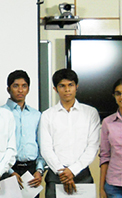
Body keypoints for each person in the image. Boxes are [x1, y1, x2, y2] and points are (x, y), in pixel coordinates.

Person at [39, 68, 100, 198]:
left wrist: (72, 170)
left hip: (83, 175)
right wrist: (63, 172)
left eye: (70, 85)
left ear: (76, 87)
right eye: (62, 86)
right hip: (56, 176)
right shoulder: (47, 115)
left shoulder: (90, 113)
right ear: (55, 89)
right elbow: (46, 149)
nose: (67, 90)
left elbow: (93, 146)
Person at [1, 70, 45, 193]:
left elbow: (42, 145)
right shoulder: (0, 113)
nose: (20, 90)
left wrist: (39, 170)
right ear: (8, 89)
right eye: (16, 86)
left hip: (31, 171)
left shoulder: (36, 115)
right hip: (8, 169)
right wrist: (9, 172)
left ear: (28, 89)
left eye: (24, 86)